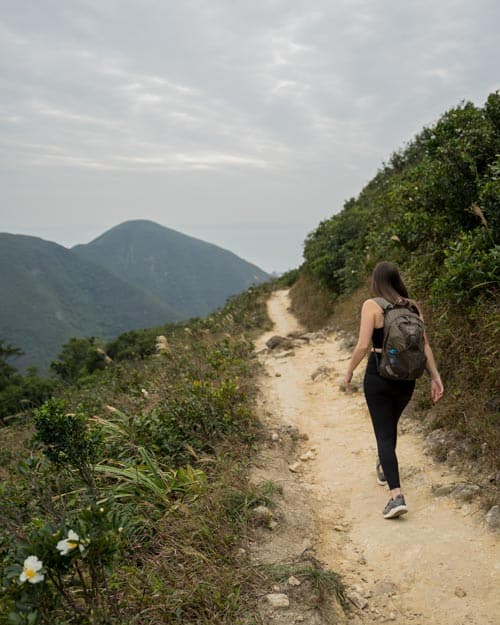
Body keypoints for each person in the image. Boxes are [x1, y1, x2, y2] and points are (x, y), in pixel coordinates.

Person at [343, 261, 444, 519]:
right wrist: (435, 377)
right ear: (397, 279)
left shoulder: (371, 305)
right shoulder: (412, 306)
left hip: (378, 377)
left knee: (384, 435)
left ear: (376, 281)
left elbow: (363, 345)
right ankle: (384, 466)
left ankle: (396, 496)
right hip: (407, 378)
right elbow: (425, 346)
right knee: (389, 428)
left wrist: (349, 370)